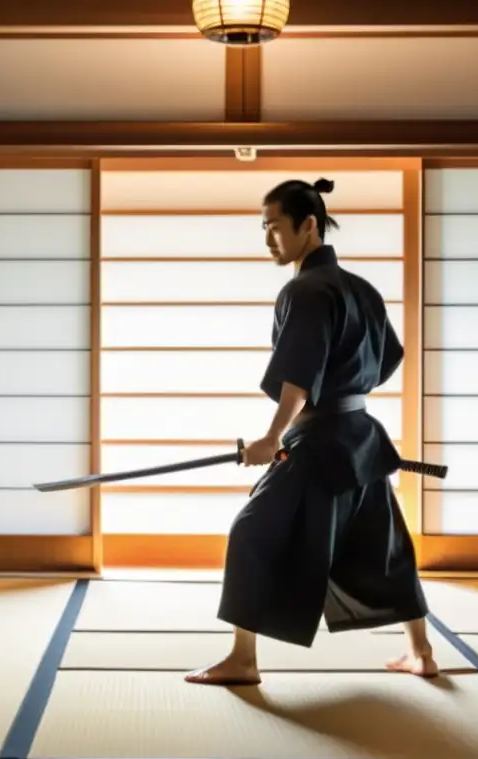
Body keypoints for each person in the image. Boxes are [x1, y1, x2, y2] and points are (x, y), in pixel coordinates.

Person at [184, 177, 436, 686]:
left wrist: (273, 434)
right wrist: (346, 396)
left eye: (275, 228)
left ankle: (243, 659)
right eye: (264, 229)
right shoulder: (360, 288)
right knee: (382, 544)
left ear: (309, 225)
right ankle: (421, 652)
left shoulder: (305, 289)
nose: (268, 239)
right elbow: (388, 358)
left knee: (251, 531)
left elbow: (299, 374)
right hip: (362, 439)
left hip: (319, 444)